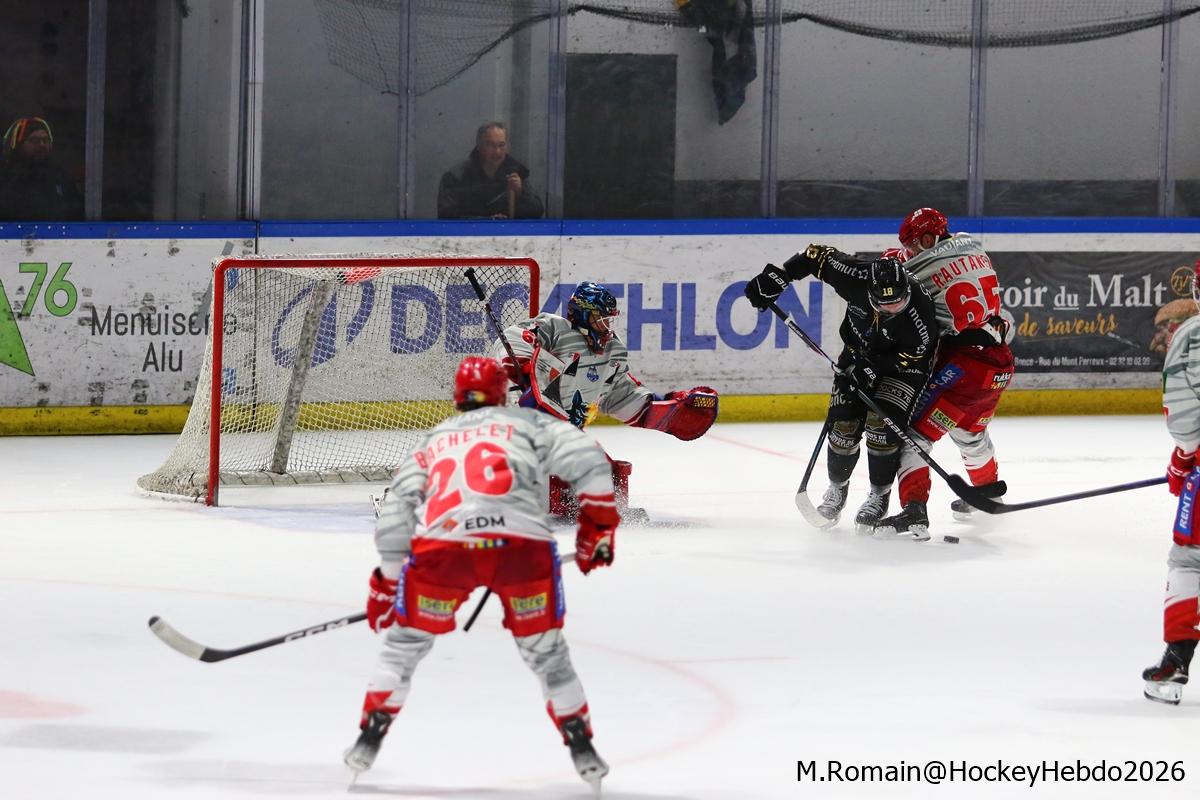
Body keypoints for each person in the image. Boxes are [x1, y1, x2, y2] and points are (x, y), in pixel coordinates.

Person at [344, 356, 617, 788]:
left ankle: (368, 738)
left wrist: (386, 584)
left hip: (445, 554)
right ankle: (581, 744)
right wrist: (597, 529)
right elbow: (590, 460)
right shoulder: (528, 424)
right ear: (502, 394)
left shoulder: (433, 439)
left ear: (458, 396)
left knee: (403, 647)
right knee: (548, 655)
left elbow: (396, 513)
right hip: (521, 552)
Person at [744, 246, 938, 533]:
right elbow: (816, 255)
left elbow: (917, 355)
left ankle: (879, 495)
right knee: (842, 427)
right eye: (884, 304)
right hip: (857, 355)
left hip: (903, 369)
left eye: (898, 303)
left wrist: (872, 369)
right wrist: (780, 276)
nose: (891, 309)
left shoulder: (920, 310)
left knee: (881, 427)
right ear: (870, 293)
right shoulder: (855, 275)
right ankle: (837, 489)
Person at [496, 281, 719, 517]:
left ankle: (566, 500)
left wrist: (670, 408)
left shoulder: (612, 351)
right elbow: (511, 339)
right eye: (600, 319)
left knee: (607, 474)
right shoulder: (555, 328)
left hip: (563, 434)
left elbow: (621, 393)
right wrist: (522, 367)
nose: (605, 326)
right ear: (582, 314)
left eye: (608, 320)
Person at [874, 208, 1016, 540]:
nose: (910, 252)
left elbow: (901, 285)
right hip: (999, 361)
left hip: (964, 367)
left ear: (928, 239)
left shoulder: (919, 268)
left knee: (913, 437)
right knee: (970, 433)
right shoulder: (973, 246)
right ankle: (988, 493)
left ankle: (914, 511)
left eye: (913, 245)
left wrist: (894, 263)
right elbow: (946, 265)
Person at [1144, 259, 1200, 705]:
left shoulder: (1193, 335)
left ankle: (1177, 659)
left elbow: (1184, 421)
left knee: (1189, 561)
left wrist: (1182, 462)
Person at [437, 121, 544, 220]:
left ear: (507, 146)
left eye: (501, 145)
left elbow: (537, 212)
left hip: (508, 234)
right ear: (479, 146)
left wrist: (520, 194)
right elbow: (446, 215)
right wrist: (487, 221)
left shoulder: (516, 173)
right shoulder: (457, 176)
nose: (497, 151)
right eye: (490, 145)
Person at [0, 116, 82, 221]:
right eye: (34, 140)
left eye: (45, 140)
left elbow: (76, 211)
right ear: (18, 145)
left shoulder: (61, 178)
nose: (42, 145)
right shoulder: (5, 178)